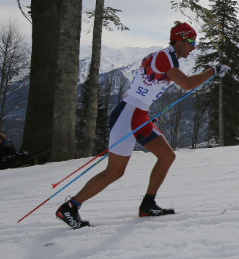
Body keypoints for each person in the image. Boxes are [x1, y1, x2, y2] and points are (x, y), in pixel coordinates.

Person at [56, 22, 230, 229]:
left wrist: (144, 113)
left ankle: (148, 204)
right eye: (191, 42)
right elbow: (187, 84)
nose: (193, 48)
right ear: (180, 39)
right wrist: (214, 71)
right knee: (114, 172)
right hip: (128, 117)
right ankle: (70, 207)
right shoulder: (164, 57)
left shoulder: (168, 57)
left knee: (167, 156)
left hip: (138, 117)